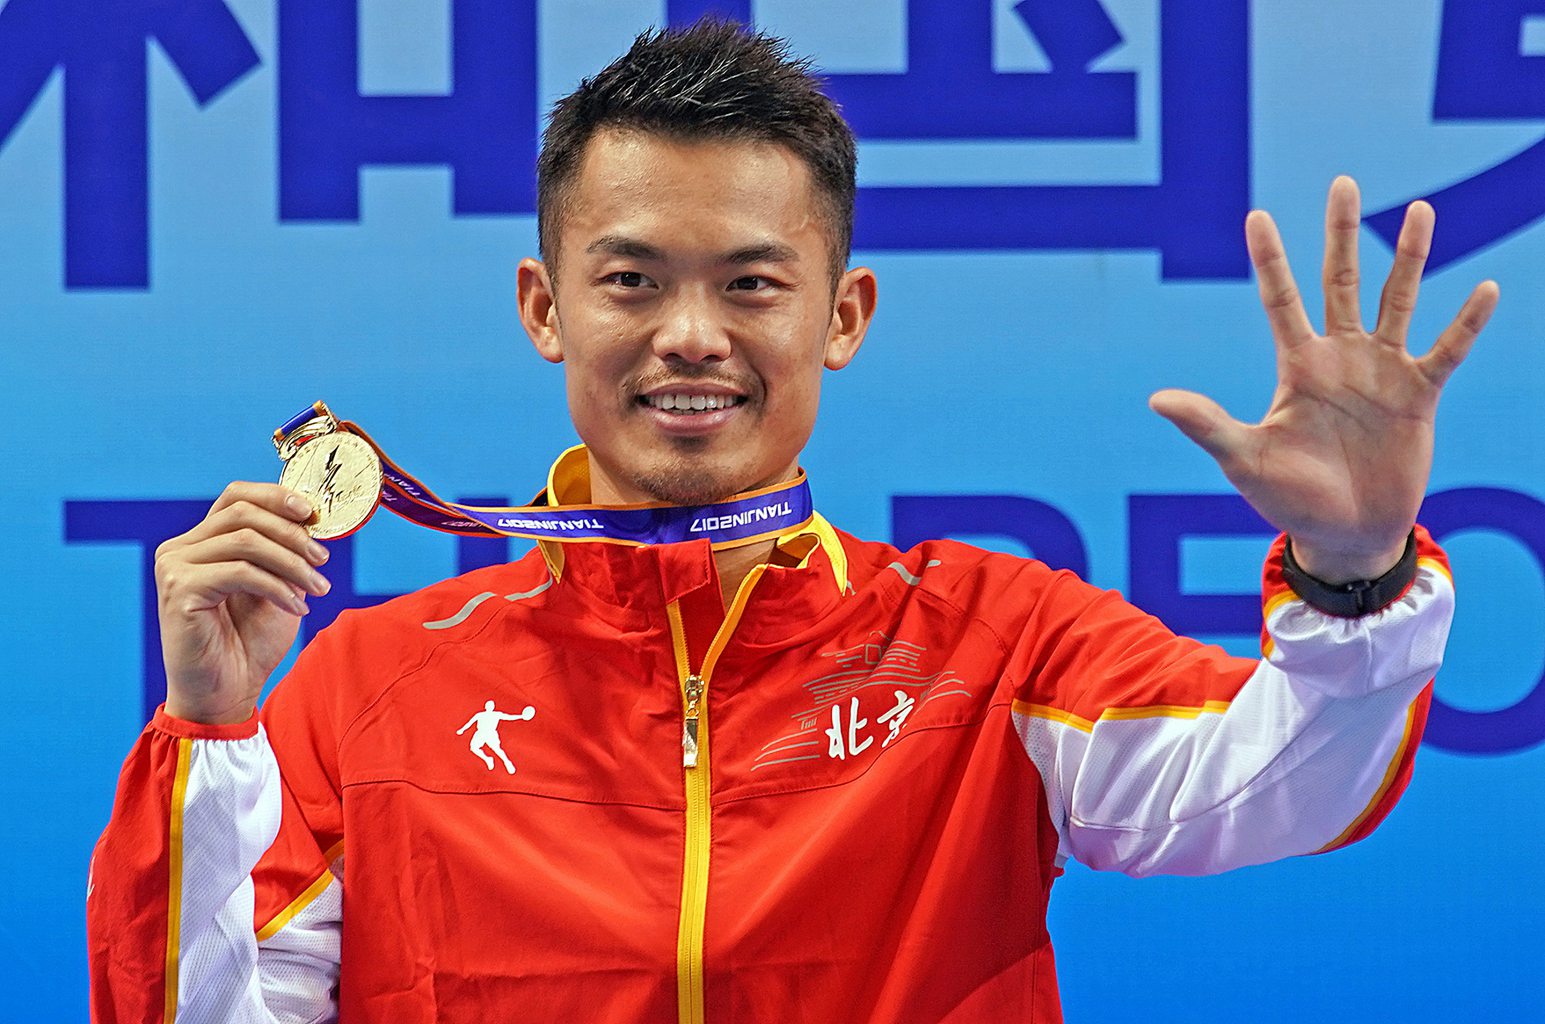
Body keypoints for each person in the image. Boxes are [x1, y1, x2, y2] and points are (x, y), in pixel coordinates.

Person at [87, 20, 1498, 1024]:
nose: (691, 336)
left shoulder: (989, 643)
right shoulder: (367, 688)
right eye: (631, 281)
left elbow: (1280, 783)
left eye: (752, 285)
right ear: (544, 308)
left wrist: (1353, 568)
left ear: (843, 316)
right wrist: (210, 733)